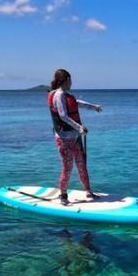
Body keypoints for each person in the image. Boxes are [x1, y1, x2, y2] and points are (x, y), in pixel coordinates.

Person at [48, 69, 103, 204]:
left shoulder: (66, 95)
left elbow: (77, 103)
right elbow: (63, 116)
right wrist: (80, 127)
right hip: (63, 138)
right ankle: (63, 195)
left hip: (75, 137)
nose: (72, 82)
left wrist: (93, 107)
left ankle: (88, 192)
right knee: (68, 167)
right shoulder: (58, 95)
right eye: (70, 80)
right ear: (66, 80)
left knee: (81, 164)